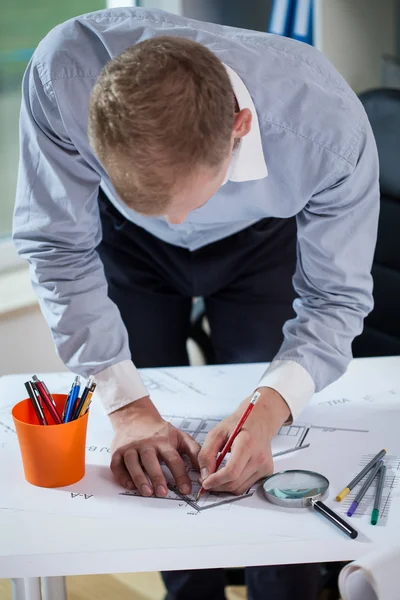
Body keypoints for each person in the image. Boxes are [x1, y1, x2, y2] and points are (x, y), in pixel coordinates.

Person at [13, 7, 379, 600]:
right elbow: (57, 245)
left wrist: (269, 406)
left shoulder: (328, 131)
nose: (179, 223)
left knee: (266, 443)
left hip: (261, 241)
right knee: (147, 462)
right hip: (126, 245)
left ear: (238, 128)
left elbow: (336, 297)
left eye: (184, 201)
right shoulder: (62, 75)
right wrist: (128, 407)